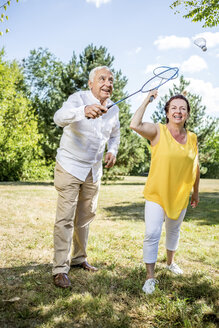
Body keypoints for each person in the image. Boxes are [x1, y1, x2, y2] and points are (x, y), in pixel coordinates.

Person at [52, 66, 120, 288]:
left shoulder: (113, 109)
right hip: (70, 165)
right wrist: (83, 111)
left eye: (111, 80)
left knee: (86, 216)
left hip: (93, 170)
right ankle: (60, 269)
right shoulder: (77, 98)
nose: (107, 83)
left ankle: (79, 258)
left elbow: (115, 134)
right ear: (91, 83)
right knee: (65, 218)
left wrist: (113, 150)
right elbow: (58, 118)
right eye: (102, 79)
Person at [130, 90, 200, 295]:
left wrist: (196, 193)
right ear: (167, 112)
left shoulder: (193, 138)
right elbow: (134, 125)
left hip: (180, 194)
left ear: (187, 114)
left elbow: (195, 167)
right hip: (157, 193)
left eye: (183, 108)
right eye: (174, 108)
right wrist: (147, 100)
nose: (178, 111)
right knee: (152, 233)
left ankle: (170, 263)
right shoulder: (157, 131)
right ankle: (150, 277)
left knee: (173, 231)